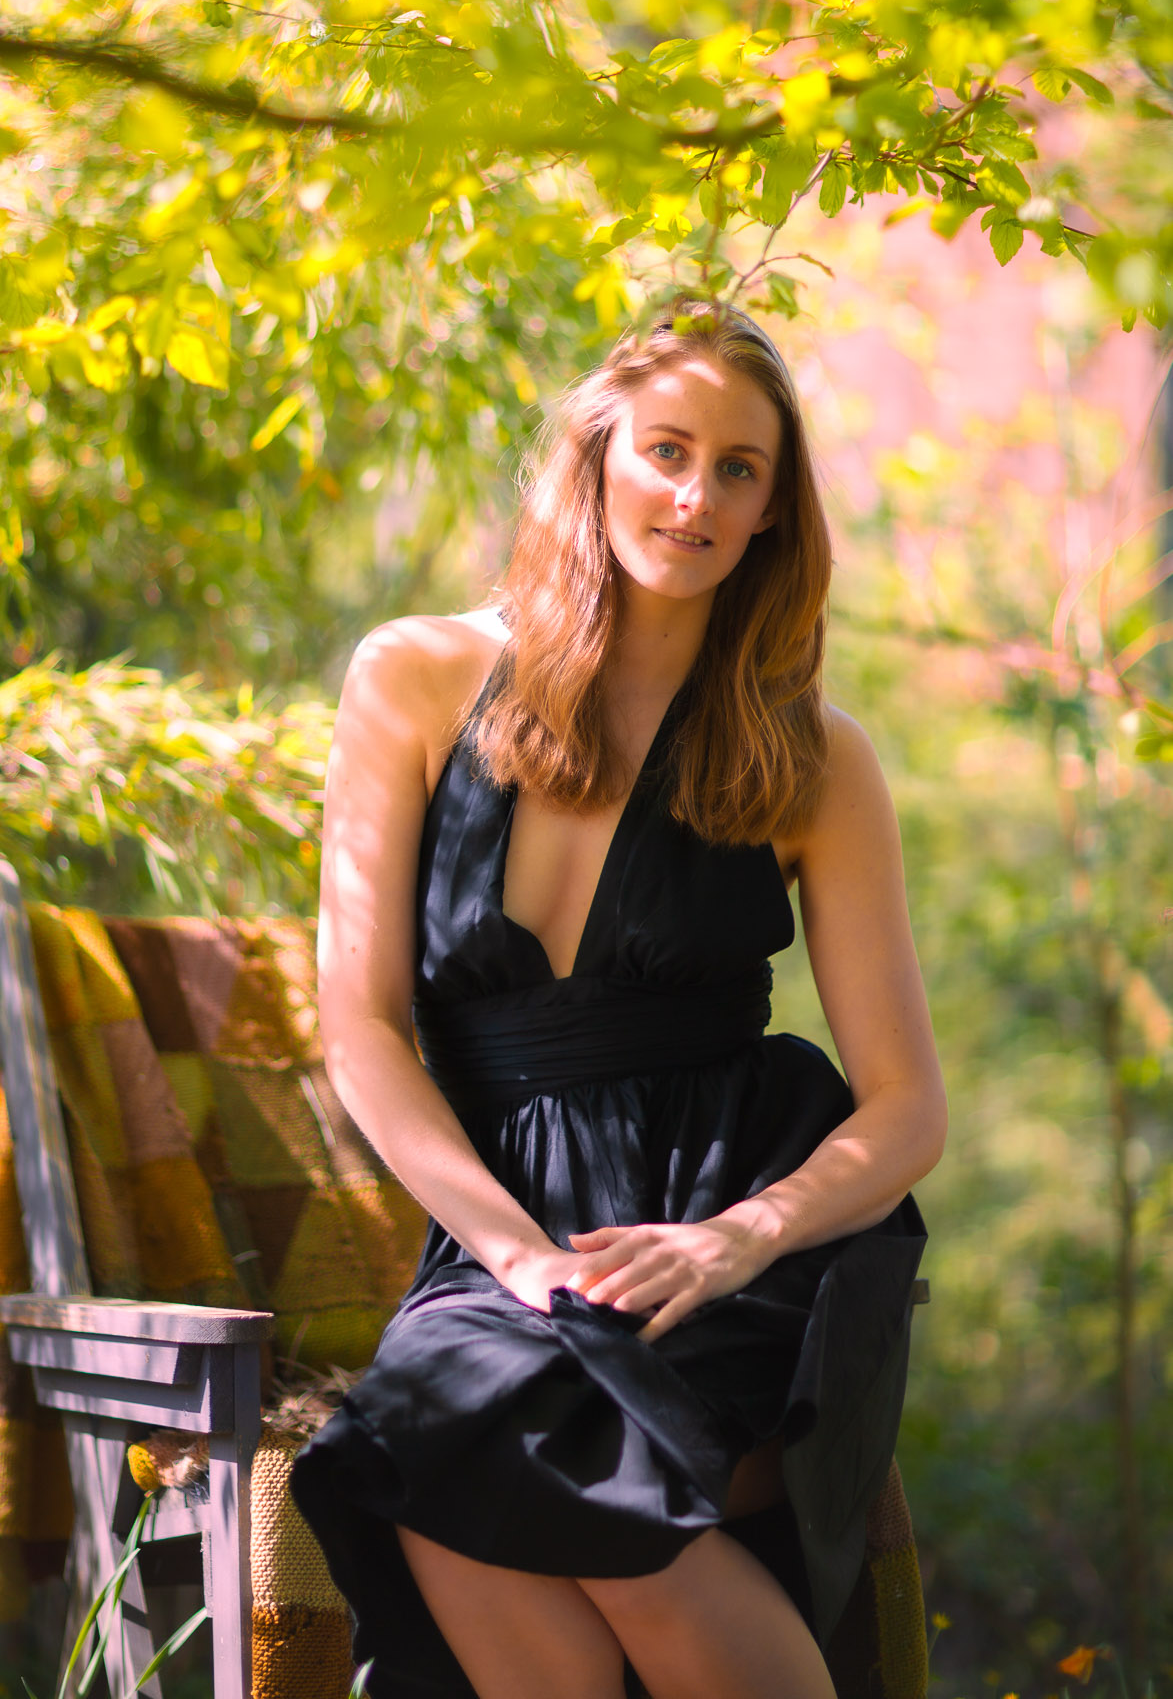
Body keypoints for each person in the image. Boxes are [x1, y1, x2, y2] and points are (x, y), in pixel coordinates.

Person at [290, 297, 947, 1699]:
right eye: (663, 450)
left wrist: (733, 1243)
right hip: (501, 1231)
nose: (691, 494)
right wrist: (513, 1253)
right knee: (433, 1420)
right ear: (594, 458)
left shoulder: (815, 761)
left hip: (727, 1228)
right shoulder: (411, 679)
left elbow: (905, 1110)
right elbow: (360, 1028)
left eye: (736, 468)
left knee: (503, 1437)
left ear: (774, 511)